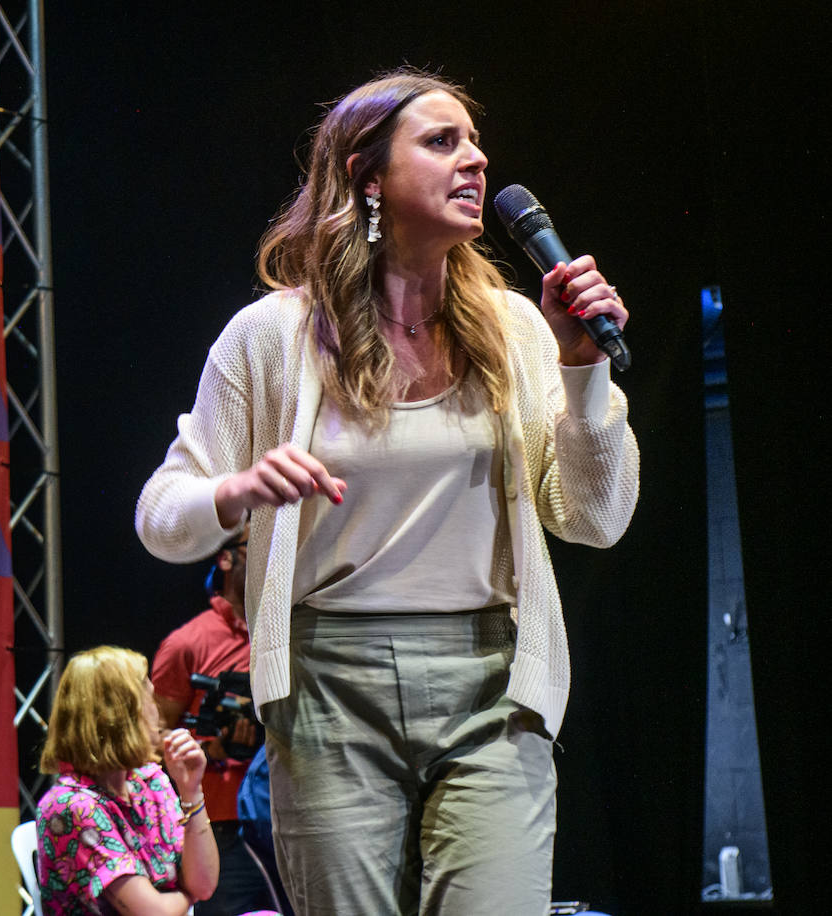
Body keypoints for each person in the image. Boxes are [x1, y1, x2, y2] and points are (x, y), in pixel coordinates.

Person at [135, 67, 640, 915]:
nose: (475, 160)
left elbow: (595, 518)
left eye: (475, 143)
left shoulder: (518, 329)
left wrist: (583, 370)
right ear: (368, 177)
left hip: (495, 682)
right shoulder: (272, 336)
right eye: (442, 142)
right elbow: (161, 514)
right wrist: (235, 491)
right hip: (328, 689)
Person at [151, 529, 284, 915]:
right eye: (255, 546)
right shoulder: (187, 643)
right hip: (223, 829)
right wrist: (213, 750)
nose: (268, 556)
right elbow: (149, 739)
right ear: (226, 558)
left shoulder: (283, 632)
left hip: (287, 819)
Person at [35, 646, 221, 915]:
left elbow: (204, 886)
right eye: (149, 700)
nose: (158, 713)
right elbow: (155, 913)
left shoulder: (150, 781)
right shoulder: (71, 806)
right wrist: (187, 896)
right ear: (117, 717)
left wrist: (191, 791)